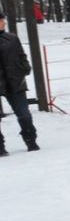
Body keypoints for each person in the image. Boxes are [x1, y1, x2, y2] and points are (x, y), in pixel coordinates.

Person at [0, 14, 40, 155]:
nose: (3, 22)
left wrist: (25, 67)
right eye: (1, 20)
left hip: (15, 81)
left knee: (24, 113)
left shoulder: (12, 38)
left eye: (3, 20)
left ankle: (31, 140)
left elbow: (21, 55)